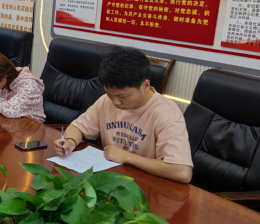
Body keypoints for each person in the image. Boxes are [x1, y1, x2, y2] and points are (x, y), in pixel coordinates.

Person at [53, 47, 193, 184]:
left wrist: (127, 157)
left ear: (145, 85)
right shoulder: (106, 101)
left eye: (122, 96)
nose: (115, 102)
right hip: (110, 179)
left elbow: (182, 172)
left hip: (145, 185)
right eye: (109, 94)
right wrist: (70, 142)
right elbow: (78, 127)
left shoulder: (167, 114)